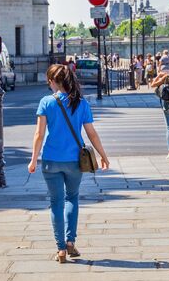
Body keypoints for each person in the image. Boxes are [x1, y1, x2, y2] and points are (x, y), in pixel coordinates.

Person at [28, 64, 109, 263]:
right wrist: (103, 155)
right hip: (74, 161)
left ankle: (61, 249)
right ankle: (70, 241)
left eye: (50, 80)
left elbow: (39, 135)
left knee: (56, 203)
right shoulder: (81, 103)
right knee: (72, 198)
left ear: (54, 82)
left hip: (51, 160)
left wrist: (33, 159)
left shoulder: (46, 102)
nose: (49, 84)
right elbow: (91, 133)